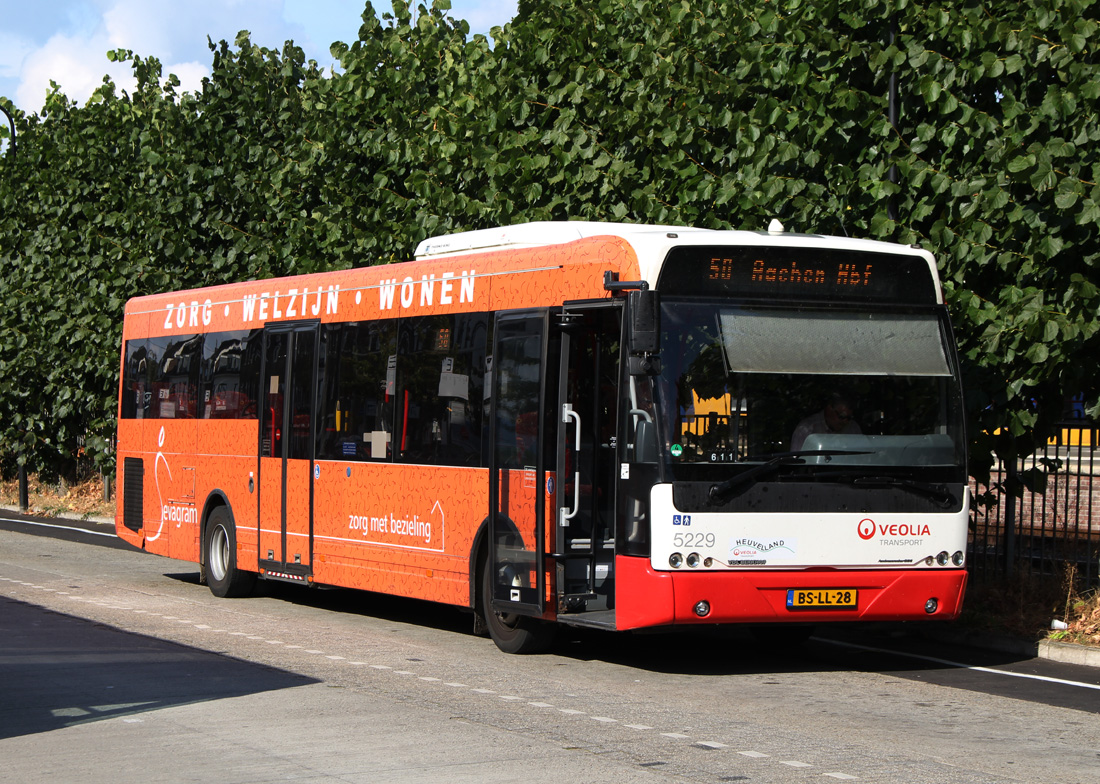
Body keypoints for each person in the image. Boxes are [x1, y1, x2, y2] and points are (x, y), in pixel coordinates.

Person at [791, 392, 861, 451]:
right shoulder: (806, 429)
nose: (845, 421)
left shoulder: (853, 429)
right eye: (841, 416)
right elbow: (796, 462)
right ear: (829, 409)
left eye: (849, 418)